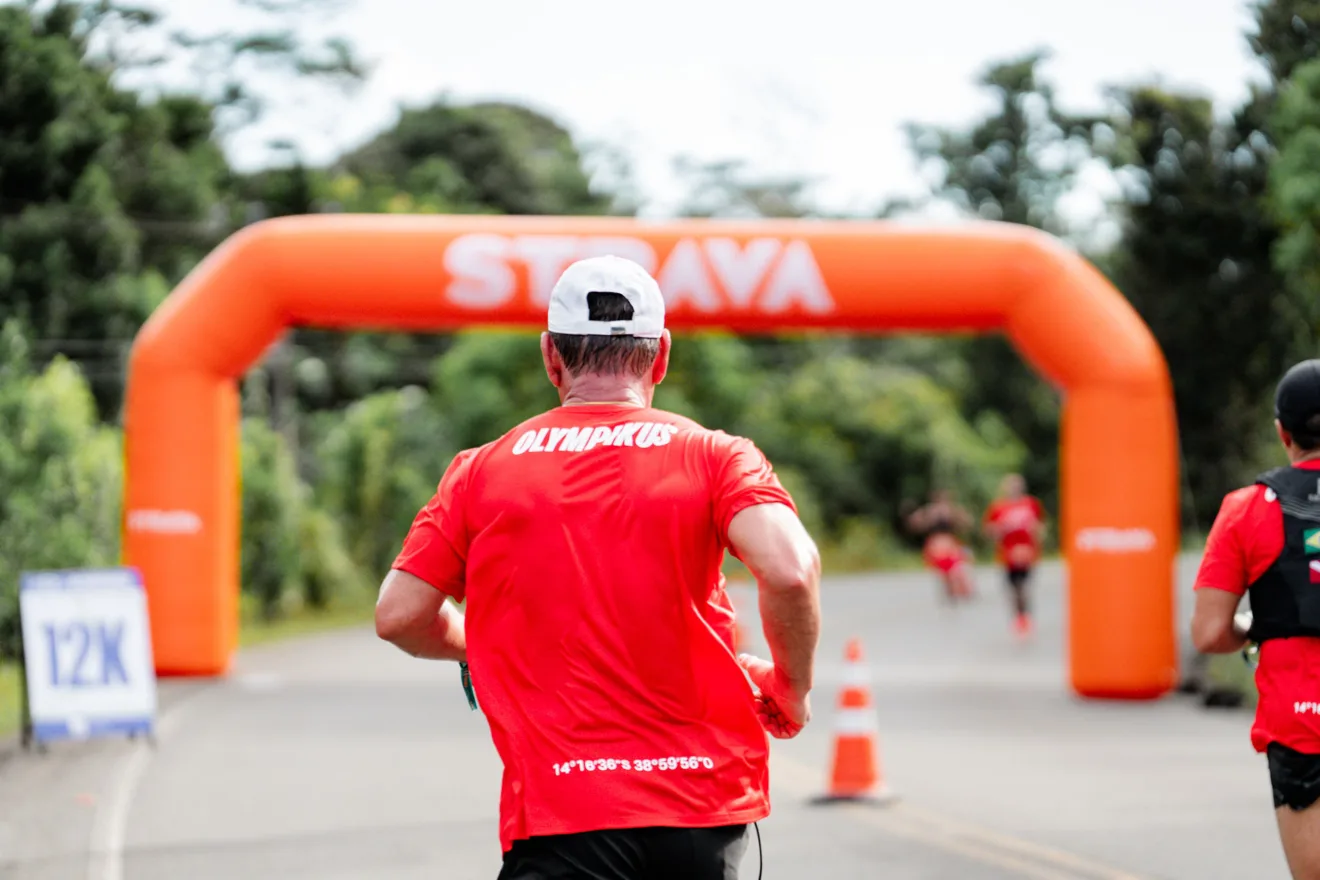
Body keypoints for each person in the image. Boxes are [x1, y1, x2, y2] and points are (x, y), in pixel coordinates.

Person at [374, 254, 822, 880]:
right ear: (661, 356)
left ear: (550, 357)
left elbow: (398, 616)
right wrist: (790, 689)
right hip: (700, 810)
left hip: (564, 814)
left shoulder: (480, 470)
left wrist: (470, 647)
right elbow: (791, 570)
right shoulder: (716, 456)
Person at [1191, 359, 1320, 880]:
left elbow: (1209, 631)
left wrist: (1253, 625)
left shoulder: (1248, 508)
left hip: (1303, 720)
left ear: (1281, 432)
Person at [982, 474, 1047, 638]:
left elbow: (1040, 526)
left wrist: (1037, 532)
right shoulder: (998, 507)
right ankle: (1018, 616)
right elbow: (989, 530)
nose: (1014, 488)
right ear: (1005, 488)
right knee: (1013, 588)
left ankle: (1025, 616)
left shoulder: (1031, 504)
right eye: (1011, 485)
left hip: (1026, 552)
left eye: (1017, 485)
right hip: (1008, 553)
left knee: (1024, 585)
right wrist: (997, 530)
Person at [906, 489, 975, 602]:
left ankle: (958, 590)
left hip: (948, 542)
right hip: (937, 543)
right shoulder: (931, 511)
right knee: (945, 570)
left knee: (955, 568)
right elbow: (916, 523)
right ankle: (951, 592)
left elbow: (966, 522)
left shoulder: (950, 510)